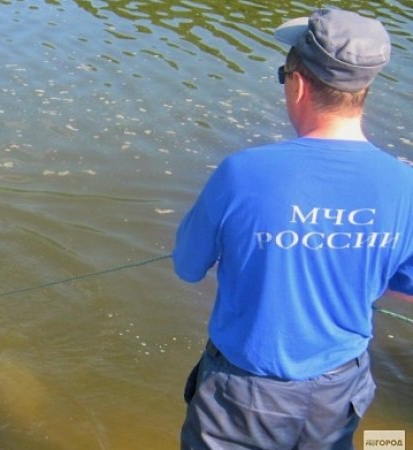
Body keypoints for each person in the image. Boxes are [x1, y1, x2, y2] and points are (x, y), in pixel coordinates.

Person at [173, 8, 413, 449]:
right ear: (364, 89)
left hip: (241, 398)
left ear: (298, 83)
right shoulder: (407, 185)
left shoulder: (241, 173)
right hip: (339, 393)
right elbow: (406, 285)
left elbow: (187, 266)